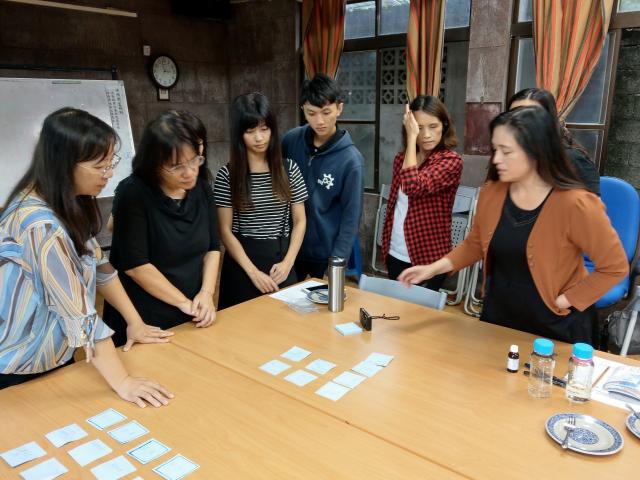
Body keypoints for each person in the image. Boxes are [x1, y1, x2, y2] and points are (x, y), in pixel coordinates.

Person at [399, 107, 627, 345]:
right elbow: (475, 243)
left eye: (506, 151)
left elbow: (614, 267)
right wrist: (433, 269)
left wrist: (565, 301)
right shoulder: (492, 193)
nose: (496, 159)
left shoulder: (575, 203)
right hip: (501, 315)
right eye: (495, 150)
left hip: (556, 324)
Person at [0, 107, 173, 406]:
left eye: (110, 163)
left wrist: (135, 322)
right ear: (64, 164)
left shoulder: (66, 202)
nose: (109, 174)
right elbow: (79, 313)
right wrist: (123, 382)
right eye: (99, 166)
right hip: (18, 363)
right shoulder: (41, 226)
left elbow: (100, 267)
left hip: (52, 352)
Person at [103, 111, 220, 346]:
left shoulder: (202, 189)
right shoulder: (133, 193)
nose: (190, 172)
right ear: (155, 164)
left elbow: (212, 248)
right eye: (176, 166)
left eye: (195, 160)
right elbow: (136, 266)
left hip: (192, 311)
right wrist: (184, 303)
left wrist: (206, 294)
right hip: (144, 319)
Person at [215, 93, 307, 308]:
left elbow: (300, 220)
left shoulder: (290, 169)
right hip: (242, 266)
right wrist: (253, 272)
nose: (259, 138)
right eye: (250, 131)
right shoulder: (227, 175)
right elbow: (224, 231)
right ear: (239, 134)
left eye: (264, 129)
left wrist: (288, 262)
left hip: (281, 262)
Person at [282, 74, 364, 279]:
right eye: (311, 113)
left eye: (326, 112)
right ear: (303, 109)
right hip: (290, 248)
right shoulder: (291, 141)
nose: (319, 121)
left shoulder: (351, 160)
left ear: (339, 108)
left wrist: (336, 263)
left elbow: (351, 218)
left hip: (326, 253)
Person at [380, 95, 462, 291]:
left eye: (433, 126)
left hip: (428, 255)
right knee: (396, 306)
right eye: (419, 127)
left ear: (444, 125)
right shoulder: (401, 159)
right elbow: (396, 203)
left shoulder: (450, 161)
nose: (426, 135)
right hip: (395, 250)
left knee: (420, 309)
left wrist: (411, 139)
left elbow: (412, 187)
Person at [508, 88, 600, 195]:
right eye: (513, 115)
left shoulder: (573, 159)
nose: (520, 121)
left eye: (530, 115)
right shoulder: (507, 154)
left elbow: (590, 203)